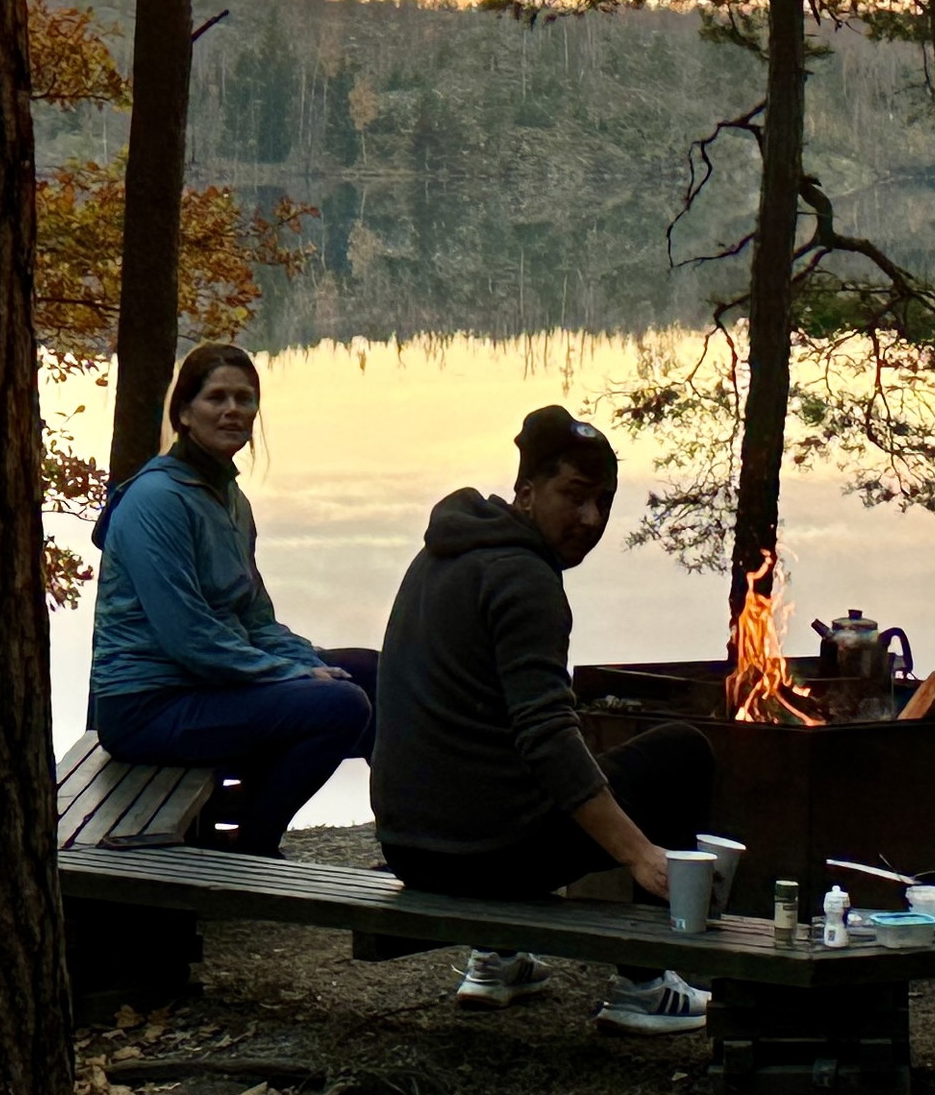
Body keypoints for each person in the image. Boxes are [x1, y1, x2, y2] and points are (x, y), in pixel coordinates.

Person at [372, 405, 716, 1036]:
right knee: (680, 753)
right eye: (574, 497)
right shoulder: (524, 578)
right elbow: (547, 738)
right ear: (527, 492)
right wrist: (640, 854)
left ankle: (497, 957)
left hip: (409, 847)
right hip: (483, 855)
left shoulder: (445, 553)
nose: (590, 520)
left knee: (526, 761)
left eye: (604, 503)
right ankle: (644, 983)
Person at [85, 342, 373, 855]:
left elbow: (255, 618)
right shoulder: (157, 501)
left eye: (245, 398)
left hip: (206, 686)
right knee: (341, 704)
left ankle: (410, 833)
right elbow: (188, 636)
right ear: (185, 413)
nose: (233, 410)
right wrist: (290, 675)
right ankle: (252, 843)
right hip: (146, 707)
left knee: (376, 673)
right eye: (217, 397)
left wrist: (303, 660)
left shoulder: (228, 499)